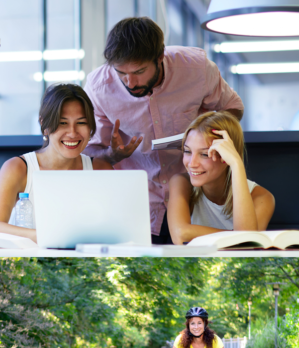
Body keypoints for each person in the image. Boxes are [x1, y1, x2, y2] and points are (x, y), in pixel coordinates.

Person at [84, 17, 244, 244]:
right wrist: (112, 155)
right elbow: (88, 152)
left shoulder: (196, 68)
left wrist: (204, 136)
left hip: (197, 200)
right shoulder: (98, 87)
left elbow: (233, 109)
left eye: (139, 71)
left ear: (160, 57)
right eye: (121, 73)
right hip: (137, 206)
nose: (130, 82)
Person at [0, 84, 113, 242]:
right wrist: (44, 236)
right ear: (45, 126)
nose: (72, 133)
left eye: (81, 123)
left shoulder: (101, 170)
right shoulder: (17, 168)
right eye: (63, 123)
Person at [167, 111, 276, 245]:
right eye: (188, 151)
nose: (191, 163)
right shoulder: (181, 182)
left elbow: (246, 244)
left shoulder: (262, 198)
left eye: (205, 154)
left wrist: (236, 164)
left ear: (227, 155)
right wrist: (236, 236)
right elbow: (180, 234)